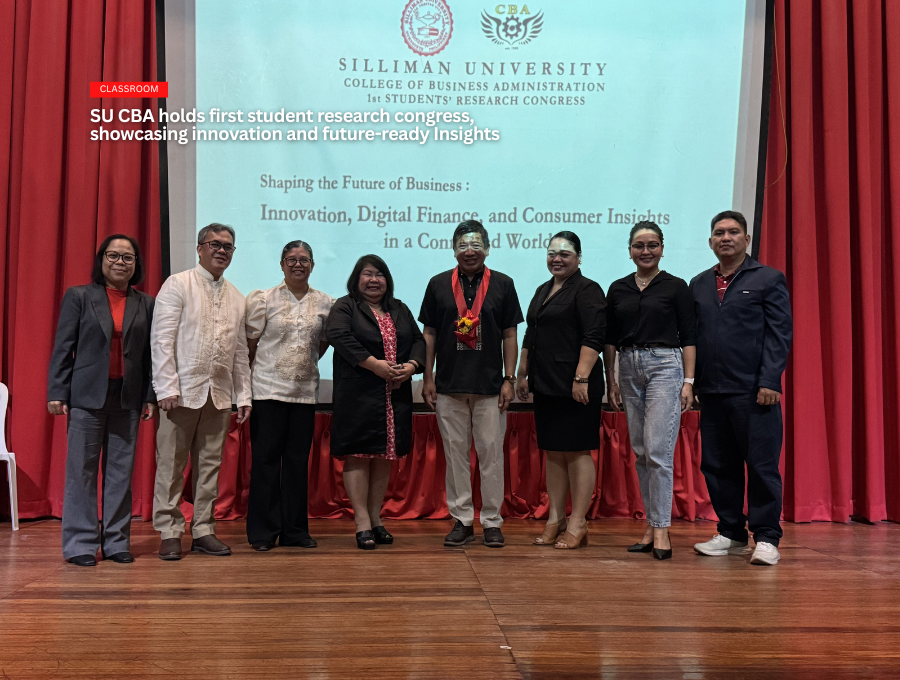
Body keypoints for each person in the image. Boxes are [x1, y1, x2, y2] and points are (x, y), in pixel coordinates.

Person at [690, 210, 792, 566]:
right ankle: (731, 532)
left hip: (754, 392)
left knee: (762, 466)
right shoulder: (699, 283)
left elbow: (779, 335)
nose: (726, 238)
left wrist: (769, 380)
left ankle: (766, 537)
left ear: (747, 240)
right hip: (712, 392)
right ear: (710, 242)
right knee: (717, 465)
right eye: (719, 233)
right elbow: (694, 338)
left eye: (734, 232)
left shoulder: (767, 279)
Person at [47, 235, 157, 567]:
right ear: (102, 260)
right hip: (86, 397)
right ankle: (80, 544)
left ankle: (116, 541)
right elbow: (63, 347)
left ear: (136, 264)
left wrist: (150, 395)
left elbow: (151, 355)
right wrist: (57, 391)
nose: (120, 262)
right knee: (81, 472)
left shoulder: (147, 303)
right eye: (113, 256)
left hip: (128, 397)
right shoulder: (79, 296)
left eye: (128, 257)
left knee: (120, 474)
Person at [151, 223, 252, 561]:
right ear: (200, 248)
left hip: (219, 395)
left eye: (228, 246)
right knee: (172, 463)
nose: (221, 250)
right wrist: (165, 387)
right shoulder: (178, 284)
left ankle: (204, 530)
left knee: (210, 466)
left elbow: (240, 353)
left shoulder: (237, 297)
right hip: (180, 392)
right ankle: (169, 531)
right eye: (215, 244)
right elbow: (161, 340)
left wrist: (245, 396)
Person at [419, 220, 523, 548]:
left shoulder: (503, 284)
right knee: (456, 455)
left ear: (487, 249)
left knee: (491, 454)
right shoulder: (437, 284)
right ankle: (462, 519)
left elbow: (510, 335)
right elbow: (430, 335)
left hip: (491, 387)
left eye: (476, 245)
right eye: (463, 245)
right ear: (453, 250)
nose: (469, 251)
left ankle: (492, 521)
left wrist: (509, 379)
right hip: (449, 385)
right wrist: (428, 377)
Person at [604, 222, 697, 561]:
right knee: (642, 452)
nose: (646, 251)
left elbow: (689, 336)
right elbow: (610, 341)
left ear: (662, 248)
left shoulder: (676, 287)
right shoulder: (618, 288)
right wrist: (611, 380)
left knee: (658, 451)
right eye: (639, 245)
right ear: (629, 249)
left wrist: (688, 382)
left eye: (653, 245)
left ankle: (661, 529)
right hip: (627, 367)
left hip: (665, 366)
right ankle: (652, 525)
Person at [326, 255, 425, 549]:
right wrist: (374, 365)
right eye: (367, 274)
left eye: (379, 274)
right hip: (359, 394)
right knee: (358, 455)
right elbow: (338, 336)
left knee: (385, 456)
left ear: (388, 280)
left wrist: (412, 366)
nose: (373, 280)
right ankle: (361, 524)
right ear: (357, 279)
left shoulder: (399, 308)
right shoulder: (346, 306)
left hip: (394, 395)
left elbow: (419, 340)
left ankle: (376, 519)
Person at [515, 232, 606, 550]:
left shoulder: (588, 289)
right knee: (553, 451)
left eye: (565, 253)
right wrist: (522, 373)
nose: (557, 258)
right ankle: (556, 518)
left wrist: (581, 378)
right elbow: (531, 333)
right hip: (547, 383)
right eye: (552, 252)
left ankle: (578, 521)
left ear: (579, 257)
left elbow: (594, 335)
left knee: (578, 451)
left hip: (576, 385)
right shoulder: (543, 289)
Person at [244, 240, 333, 551]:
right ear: (282, 264)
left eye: (305, 259)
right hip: (267, 393)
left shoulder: (325, 303)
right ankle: (263, 533)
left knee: (297, 464)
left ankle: (295, 532)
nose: (298, 264)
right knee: (266, 462)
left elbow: (321, 346)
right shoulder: (263, 299)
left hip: (304, 395)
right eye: (292, 259)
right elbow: (250, 347)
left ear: (312, 265)